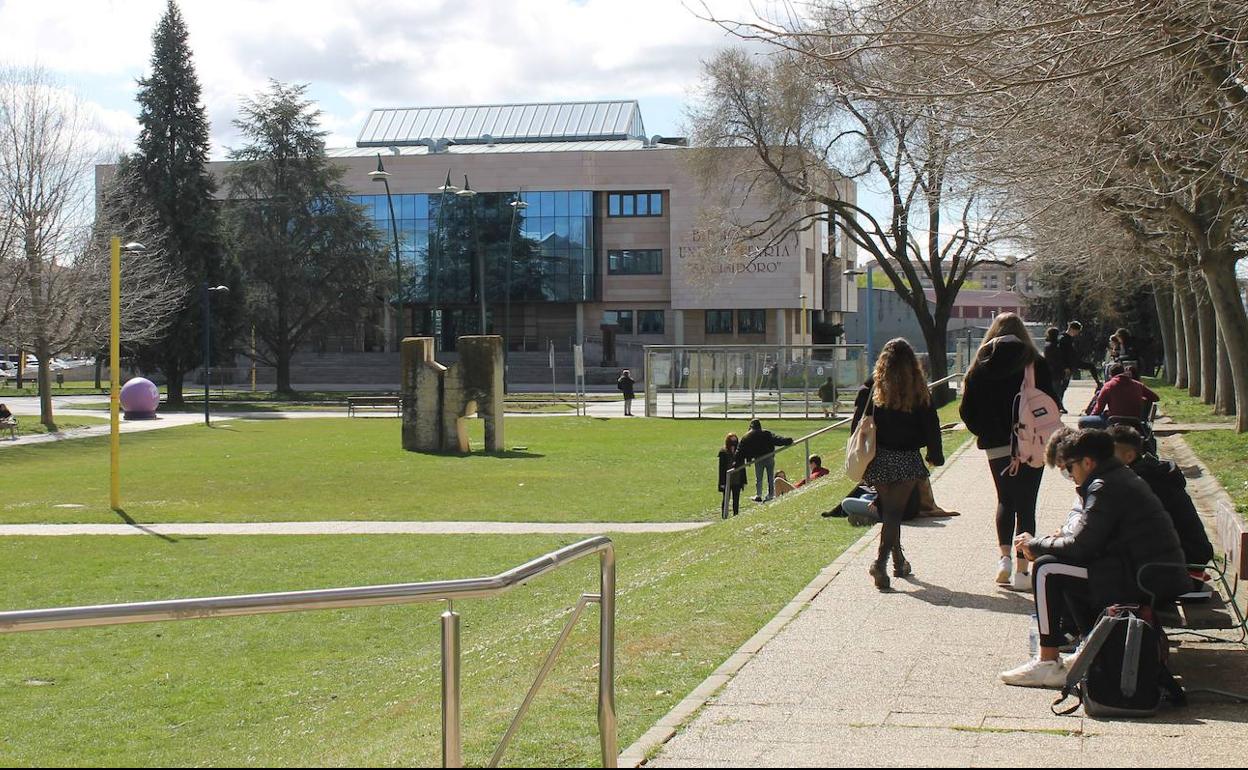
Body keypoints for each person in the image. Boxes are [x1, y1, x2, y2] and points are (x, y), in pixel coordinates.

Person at [999, 429, 1189, 688]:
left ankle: (1047, 663)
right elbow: (1089, 541)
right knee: (1061, 564)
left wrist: (1036, 545)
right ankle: (1089, 645)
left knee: (1047, 569)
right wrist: (1047, 545)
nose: (1070, 474)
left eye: (1070, 467)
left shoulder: (1105, 485)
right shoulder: (1116, 477)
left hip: (1146, 579)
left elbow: (1081, 545)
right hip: (1149, 572)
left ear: (1087, 462)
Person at [960, 312, 1061, 591]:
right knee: (1027, 503)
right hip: (1032, 442)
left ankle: (1003, 558)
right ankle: (1021, 570)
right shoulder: (1033, 360)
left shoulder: (981, 361)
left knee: (1005, 499)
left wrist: (986, 432)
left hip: (996, 444)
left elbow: (967, 409)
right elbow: (1050, 401)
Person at [852, 338, 944, 590]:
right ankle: (880, 563)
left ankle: (898, 560)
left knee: (891, 510)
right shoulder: (917, 387)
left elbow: (858, 424)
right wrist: (935, 453)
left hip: (878, 457)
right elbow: (931, 423)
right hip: (907, 457)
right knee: (894, 512)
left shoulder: (872, 387)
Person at [1109, 425, 1214, 568]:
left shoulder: (1143, 482)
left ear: (1129, 456)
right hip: (1189, 549)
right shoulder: (1149, 471)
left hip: (1187, 554)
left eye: (1110, 455)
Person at [1079, 363, 1159, 429]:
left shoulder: (1108, 386)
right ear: (1124, 372)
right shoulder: (1138, 385)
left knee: (1083, 422)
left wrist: (1091, 416)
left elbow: (1098, 409)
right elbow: (1155, 397)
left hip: (1113, 422)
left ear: (1110, 375)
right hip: (1135, 422)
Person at [736, 419, 794, 502]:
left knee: (759, 478)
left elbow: (743, 449)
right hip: (769, 457)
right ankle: (770, 494)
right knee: (770, 477)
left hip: (758, 459)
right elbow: (777, 439)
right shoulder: (766, 433)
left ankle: (758, 495)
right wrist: (788, 440)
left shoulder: (748, 436)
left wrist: (743, 460)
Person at [1056, 321, 1100, 406]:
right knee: (1063, 386)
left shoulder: (1069, 339)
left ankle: (1098, 383)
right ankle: (1059, 404)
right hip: (1068, 364)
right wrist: (1065, 367)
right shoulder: (1063, 339)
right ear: (1072, 329)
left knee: (1091, 366)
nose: (1077, 334)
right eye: (1077, 331)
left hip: (1073, 362)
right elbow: (1061, 354)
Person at [717, 433, 746, 517]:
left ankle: (736, 515)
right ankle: (724, 515)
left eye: (735, 440)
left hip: (737, 479)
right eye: (731, 441)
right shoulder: (723, 452)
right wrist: (722, 483)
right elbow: (721, 469)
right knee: (726, 499)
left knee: (736, 499)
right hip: (727, 480)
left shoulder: (740, 452)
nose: (733, 443)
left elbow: (742, 467)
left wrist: (743, 481)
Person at [1042, 327, 1066, 412]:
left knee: (1055, 389)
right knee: (1056, 390)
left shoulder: (1048, 345)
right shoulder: (1054, 346)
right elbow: (1058, 360)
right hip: (1055, 371)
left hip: (1051, 371)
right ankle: (1057, 406)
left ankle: (1057, 405)